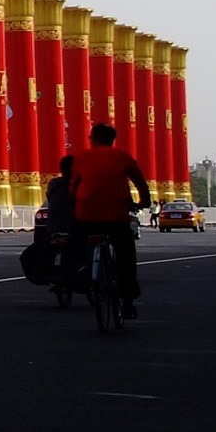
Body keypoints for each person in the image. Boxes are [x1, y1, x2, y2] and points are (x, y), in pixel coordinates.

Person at [71, 123, 151, 319]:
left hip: (87, 214)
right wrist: (144, 201)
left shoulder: (81, 158)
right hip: (116, 214)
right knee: (125, 255)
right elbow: (139, 181)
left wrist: (75, 201)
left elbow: (73, 187)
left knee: (77, 241)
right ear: (112, 139)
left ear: (94, 139)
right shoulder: (123, 156)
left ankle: (82, 268)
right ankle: (128, 301)